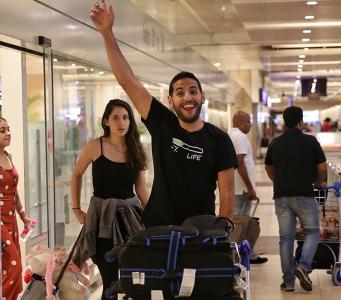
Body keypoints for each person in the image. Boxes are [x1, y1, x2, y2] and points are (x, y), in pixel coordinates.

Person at [90, 1, 237, 227]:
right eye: (180, 93)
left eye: (193, 91)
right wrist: (107, 33)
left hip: (201, 230)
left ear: (202, 96)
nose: (187, 97)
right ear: (171, 101)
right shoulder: (163, 124)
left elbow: (227, 195)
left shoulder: (219, 139)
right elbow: (128, 80)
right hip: (159, 230)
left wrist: (222, 235)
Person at [71, 99, 149, 300]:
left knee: (133, 274)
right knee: (108, 275)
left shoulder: (135, 148)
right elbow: (76, 174)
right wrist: (76, 209)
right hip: (101, 219)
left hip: (130, 219)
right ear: (106, 121)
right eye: (115, 118)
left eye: (125, 118)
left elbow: (140, 188)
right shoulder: (95, 146)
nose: (121, 122)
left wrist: (153, 213)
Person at [265, 106, 327, 292]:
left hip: (282, 195)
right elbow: (322, 168)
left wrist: (279, 181)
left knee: (286, 238)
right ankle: (303, 266)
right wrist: (317, 182)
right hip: (304, 194)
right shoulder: (310, 141)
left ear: (284, 121)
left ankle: (289, 282)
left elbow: (268, 167)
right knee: (313, 231)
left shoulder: (275, 143)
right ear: (301, 121)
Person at [0, 117, 31, 299]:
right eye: (2, 130)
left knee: (7, 268)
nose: (8, 133)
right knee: (15, 266)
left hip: (12, 221)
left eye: (8, 129)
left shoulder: (7, 156)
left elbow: (13, 190)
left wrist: (23, 215)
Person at [228, 111, 268, 264]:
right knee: (241, 223)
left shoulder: (231, 134)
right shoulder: (239, 137)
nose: (251, 124)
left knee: (240, 221)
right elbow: (240, 163)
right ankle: (240, 255)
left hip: (238, 188)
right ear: (241, 122)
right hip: (242, 189)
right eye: (249, 121)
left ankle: (245, 253)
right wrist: (250, 188)